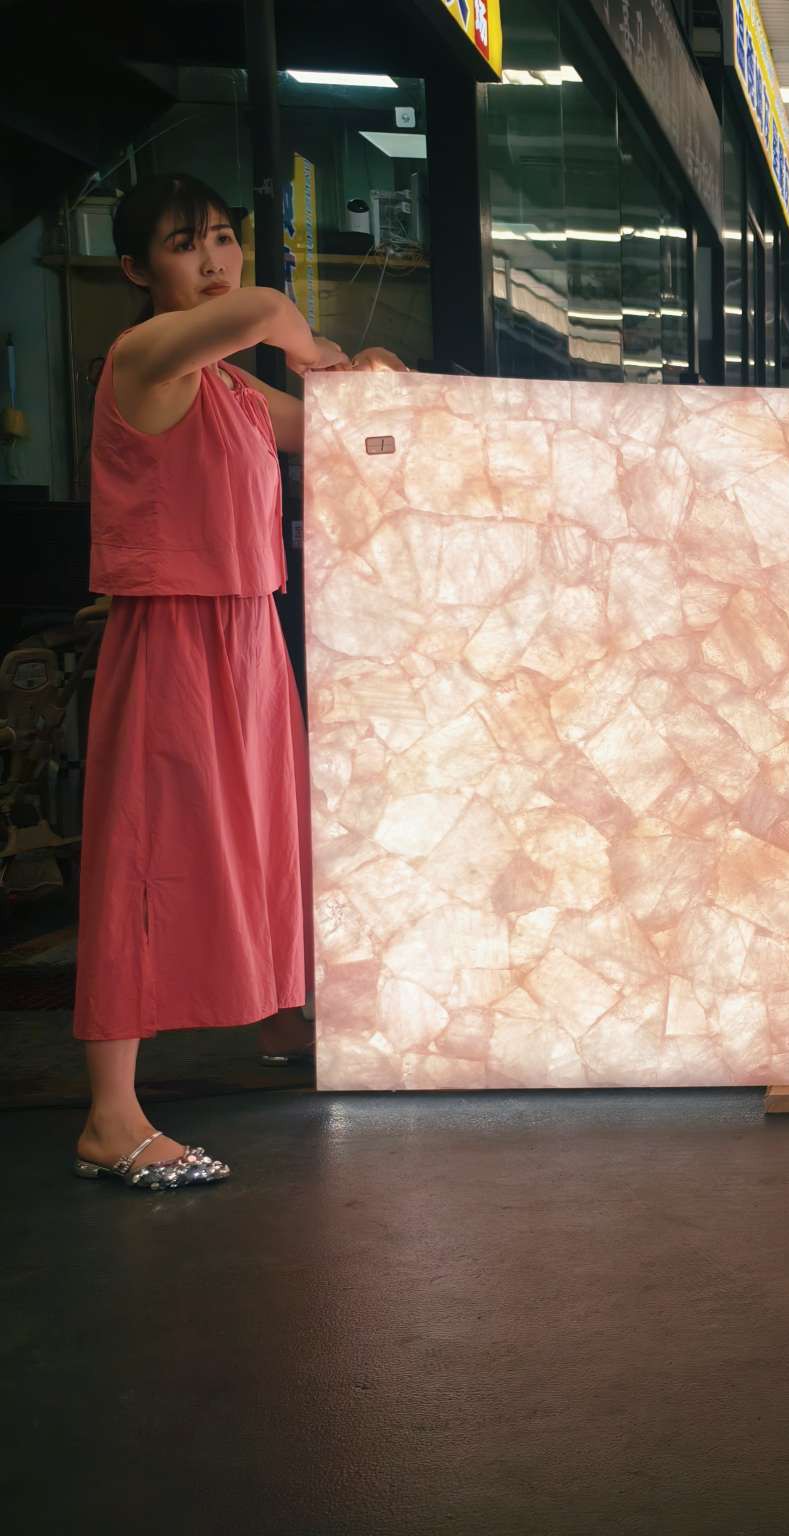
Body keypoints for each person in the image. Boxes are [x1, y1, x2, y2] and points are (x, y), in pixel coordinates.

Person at [71, 172, 400, 1190]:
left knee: (264, 837)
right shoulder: (143, 357)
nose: (213, 260)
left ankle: (279, 1018)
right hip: (174, 634)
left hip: (250, 633)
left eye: (222, 238)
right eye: (185, 245)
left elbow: (334, 433)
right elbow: (260, 311)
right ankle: (110, 1117)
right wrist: (308, 347)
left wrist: (368, 381)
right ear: (137, 270)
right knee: (143, 856)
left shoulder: (225, 386)